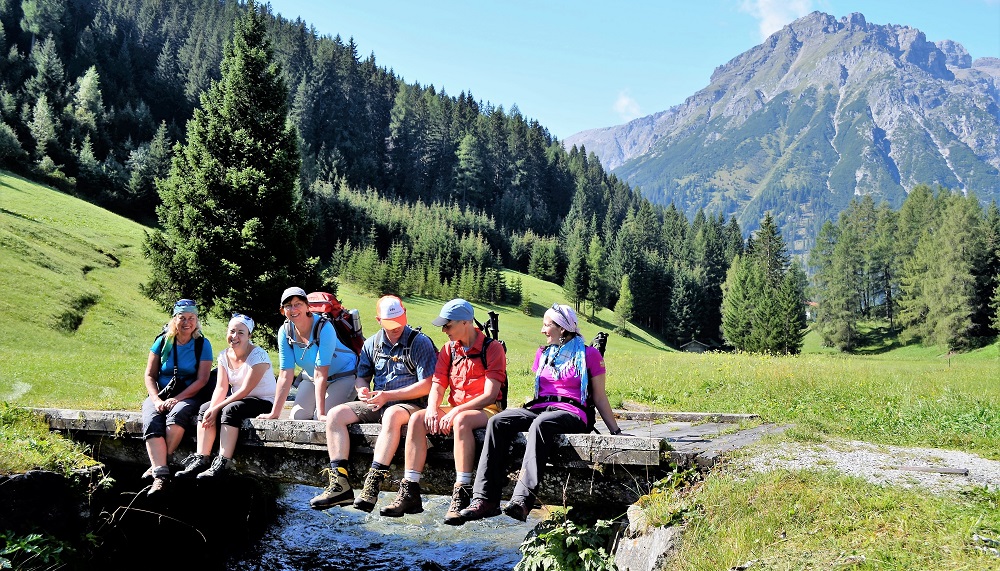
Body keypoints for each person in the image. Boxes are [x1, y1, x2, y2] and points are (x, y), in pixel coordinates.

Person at [459, 303, 623, 523]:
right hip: (541, 408)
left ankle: (522, 501)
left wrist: (615, 431)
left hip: (573, 412)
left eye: (547, 325)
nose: (542, 330)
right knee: (498, 421)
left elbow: (600, 397)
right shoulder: (543, 353)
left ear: (562, 328)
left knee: (542, 424)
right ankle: (485, 499)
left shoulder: (589, 354)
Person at [309, 295, 436, 512]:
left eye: (399, 321)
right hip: (378, 402)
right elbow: (362, 376)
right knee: (335, 414)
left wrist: (388, 395)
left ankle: (373, 484)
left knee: (392, 415)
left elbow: (427, 385)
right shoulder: (372, 344)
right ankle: (340, 483)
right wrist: (362, 390)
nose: (395, 327)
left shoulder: (420, 342)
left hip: (411, 405)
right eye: (389, 323)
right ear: (378, 320)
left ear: (405, 315)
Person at [391, 299, 506, 524]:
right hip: (457, 409)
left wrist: (455, 412)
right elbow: (437, 385)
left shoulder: (492, 349)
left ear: (465, 322)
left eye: (448, 325)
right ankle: (410, 491)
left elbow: (490, 395)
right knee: (417, 419)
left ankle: (462, 493)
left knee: (461, 420)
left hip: (487, 410)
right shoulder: (448, 349)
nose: (444, 330)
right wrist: (433, 409)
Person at [174, 313, 276, 479]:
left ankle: (223, 461)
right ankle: (201, 457)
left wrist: (218, 409)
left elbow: (244, 390)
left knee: (231, 409)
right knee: (205, 408)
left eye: (241, 333)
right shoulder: (224, 356)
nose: (235, 336)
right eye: (232, 331)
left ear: (249, 335)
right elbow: (221, 387)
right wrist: (212, 409)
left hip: (263, 401)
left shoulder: (258, 356)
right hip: (240, 399)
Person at [141, 299, 214, 497]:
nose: (186, 322)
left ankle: (158, 467)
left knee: (177, 414)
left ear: (196, 320)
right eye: (182, 318)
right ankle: (161, 474)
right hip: (161, 393)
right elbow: (149, 375)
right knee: (151, 418)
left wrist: (178, 398)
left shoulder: (202, 344)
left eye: (191, 318)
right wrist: (156, 400)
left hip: (189, 394)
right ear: (175, 319)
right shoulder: (163, 341)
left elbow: (202, 380)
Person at [259, 287, 358, 421]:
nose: (293, 309)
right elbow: (285, 375)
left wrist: (321, 414)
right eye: (288, 306)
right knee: (298, 417)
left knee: (324, 419)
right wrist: (274, 413)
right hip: (311, 378)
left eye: (298, 304)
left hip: (344, 376)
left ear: (307, 306)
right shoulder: (285, 331)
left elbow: (320, 372)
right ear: (283, 311)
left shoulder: (324, 327)